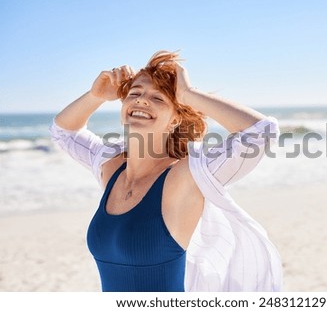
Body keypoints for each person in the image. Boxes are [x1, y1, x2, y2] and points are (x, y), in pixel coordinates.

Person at [50, 50, 282, 292]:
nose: (141, 100)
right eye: (134, 93)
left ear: (174, 120)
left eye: (158, 98)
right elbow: (63, 132)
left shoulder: (184, 177)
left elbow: (260, 133)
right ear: (123, 108)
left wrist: (188, 95)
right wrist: (94, 96)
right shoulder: (109, 165)